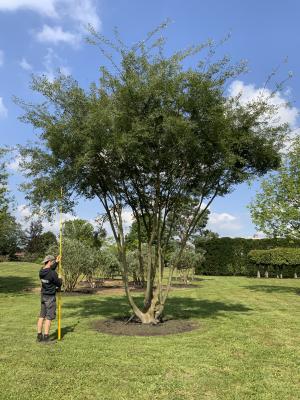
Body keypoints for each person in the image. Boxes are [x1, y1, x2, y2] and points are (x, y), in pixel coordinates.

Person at [37, 255, 62, 342]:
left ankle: (39, 337)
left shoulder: (41, 271)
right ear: (50, 262)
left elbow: (50, 271)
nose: (53, 263)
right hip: (50, 297)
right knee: (49, 317)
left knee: (41, 316)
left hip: (43, 296)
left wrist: (57, 262)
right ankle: (46, 338)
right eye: (53, 262)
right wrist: (60, 279)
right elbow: (58, 284)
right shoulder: (52, 273)